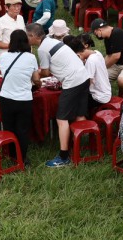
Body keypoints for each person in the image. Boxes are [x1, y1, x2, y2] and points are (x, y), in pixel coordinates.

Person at [29, 22, 91, 168]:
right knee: (79, 114)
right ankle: (81, 147)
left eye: (27, 37)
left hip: (72, 82)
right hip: (83, 77)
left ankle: (64, 157)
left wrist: (33, 72)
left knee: (61, 119)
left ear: (33, 36)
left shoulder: (42, 50)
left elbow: (44, 72)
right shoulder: (52, 41)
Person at [0, 29, 38, 165]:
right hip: (24, 99)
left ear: (11, 42)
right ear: (26, 42)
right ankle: (23, 158)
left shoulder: (3, 57)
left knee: (9, 127)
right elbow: (36, 79)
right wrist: (39, 83)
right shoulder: (31, 58)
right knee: (22, 130)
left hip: (6, 98)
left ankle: (12, 155)